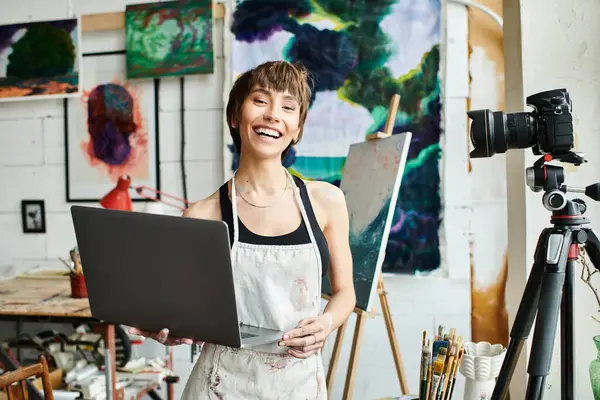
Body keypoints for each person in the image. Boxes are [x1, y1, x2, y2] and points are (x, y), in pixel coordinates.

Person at [129, 60, 355, 398]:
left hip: (299, 385)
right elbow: (181, 312)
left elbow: (345, 293)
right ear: (236, 117)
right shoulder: (201, 215)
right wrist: (167, 328)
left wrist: (325, 324)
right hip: (220, 384)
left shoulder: (326, 201)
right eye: (260, 101)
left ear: (297, 129)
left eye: (288, 107)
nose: (273, 114)